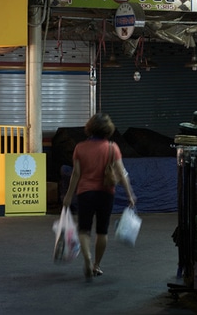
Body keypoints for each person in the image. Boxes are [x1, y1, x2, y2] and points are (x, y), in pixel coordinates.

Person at [63, 113, 136, 281]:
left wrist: (68, 196)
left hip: (85, 193)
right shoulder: (112, 148)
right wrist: (129, 194)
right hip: (106, 193)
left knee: (84, 229)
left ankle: (87, 258)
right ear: (108, 129)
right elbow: (121, 174)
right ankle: (97, 264)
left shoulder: (80, 148)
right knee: (102, 231)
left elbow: (76, 174)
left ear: (89, 128)